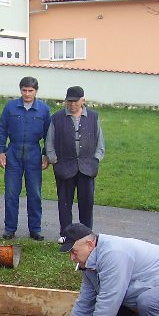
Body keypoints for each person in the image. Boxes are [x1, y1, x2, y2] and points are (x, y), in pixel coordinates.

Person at [0, 76, 51, 240]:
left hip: (34, 152)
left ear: (36, 91)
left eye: (30, 91)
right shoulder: (11, 107)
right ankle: (10, 228)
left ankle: (35, 229)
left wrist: (46, 154)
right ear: (20, 90)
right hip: (14, 151)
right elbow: (2, 129)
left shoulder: (44, 109)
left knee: (35, 193)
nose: (27, 94)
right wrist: (1, 151)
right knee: (11, 193)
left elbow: (49, 134)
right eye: (24, 90)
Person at [46, 86, 105, 237]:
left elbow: (100, 141)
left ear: (82, 100)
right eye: (69, 101)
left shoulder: (93, 116)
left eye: (75, 101)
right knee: (64, 203)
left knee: (86, 203)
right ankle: (66, 235)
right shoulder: (57, 118)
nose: (72, 105)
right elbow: (49, 141)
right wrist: (53, 159)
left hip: (87, 167)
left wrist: (96, 158)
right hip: (64, 167)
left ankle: (86, 235)